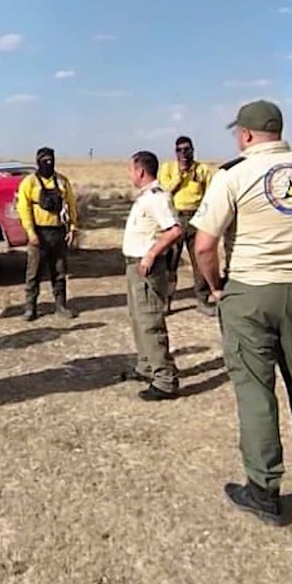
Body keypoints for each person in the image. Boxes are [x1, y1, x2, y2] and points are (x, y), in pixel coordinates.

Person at [192, 99, 292, 525]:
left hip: (248, 290)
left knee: (255, 392)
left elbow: (205, 244)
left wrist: (215, 285)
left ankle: (264, 490)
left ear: (244, 135)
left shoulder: (233, 174)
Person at [120, 150, 185, 401]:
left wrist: (151, 255)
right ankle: (146, 366)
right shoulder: (146, 197)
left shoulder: (157, 198)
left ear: (141, 171)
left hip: (147, 267)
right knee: (138, 319)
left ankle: (165, 380)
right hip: (134, 266)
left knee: (150, 322)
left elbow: (174, 230)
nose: (129, 174)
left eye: (130, 169)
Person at [16, 146, 79, 321]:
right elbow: (23, 208)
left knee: (59, 272)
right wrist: (30, 232)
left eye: (50, 159)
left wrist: (72, 227)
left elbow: (71, 204)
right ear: (37, 162)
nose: (48, 163)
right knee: (33, 273)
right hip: (38, 232)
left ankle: (61, 306)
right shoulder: (29, 183)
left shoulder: (62, 181)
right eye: (44, 160)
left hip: (58, 232)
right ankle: (30, 308)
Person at [158, 135, 217, 316]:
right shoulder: (168, 169)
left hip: (196, 218)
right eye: (179, 150)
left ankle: (202, 300)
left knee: (200, 260)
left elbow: (211, 195)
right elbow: (164, 192)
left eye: (187, 149)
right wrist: (180, 175)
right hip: (174, 217)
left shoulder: (203, 170)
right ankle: (165, 302)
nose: (183, 153)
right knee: (170, 263)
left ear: (193, 150)